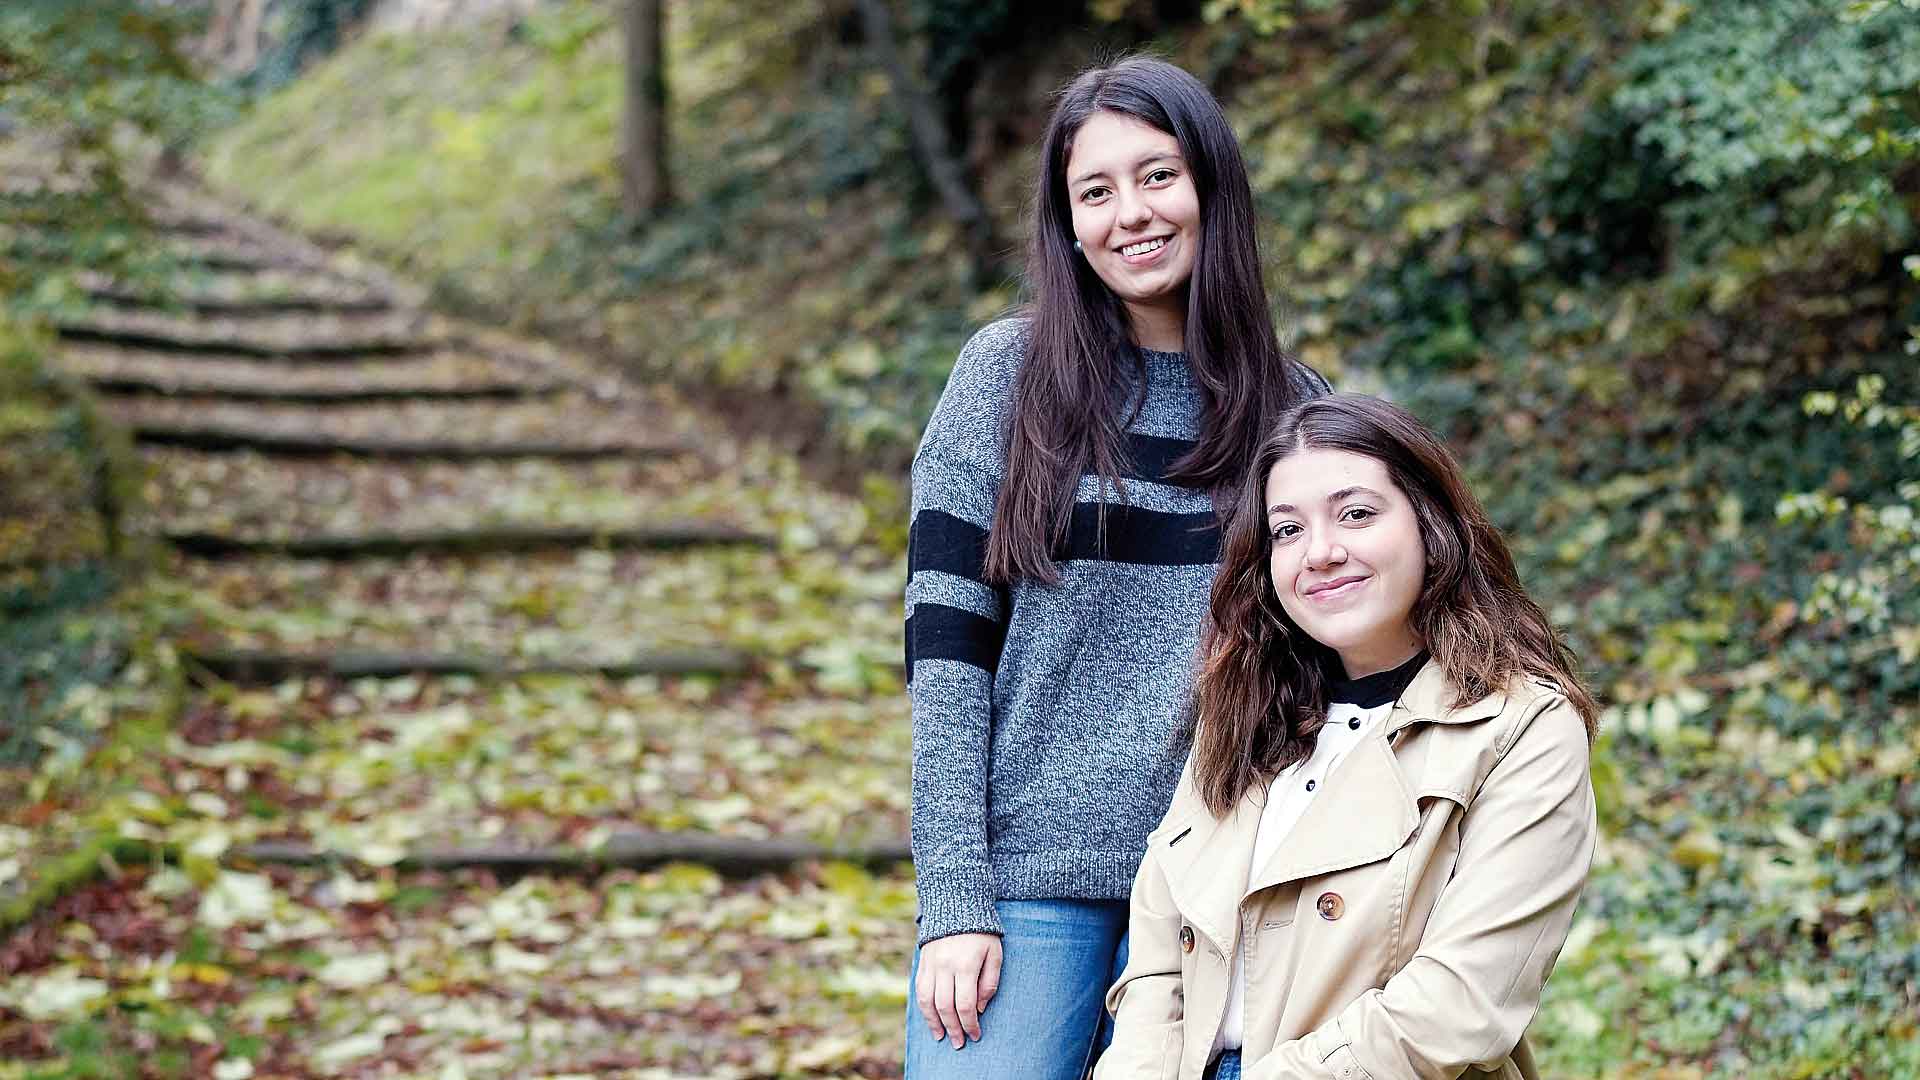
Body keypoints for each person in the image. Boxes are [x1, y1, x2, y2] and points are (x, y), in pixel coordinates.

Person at [903, 56, 1329, 1079]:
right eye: (1094, 191)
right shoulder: (1005, 376)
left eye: (1157, 176)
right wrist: (956, 901)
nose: (1129, 214)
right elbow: (947, 655)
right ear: (1068, 221)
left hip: (1225, 887)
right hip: (1031, 880)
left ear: (1210, 190)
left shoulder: (1295, 408)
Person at [1093, 393, 1601, 1080]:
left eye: (1356, 514)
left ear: (1431, 523)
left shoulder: (1523, 728)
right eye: (1288, 531)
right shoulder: (1239, 707)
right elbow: (1159, 955)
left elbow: (1458, 1008)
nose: (1321, 553)